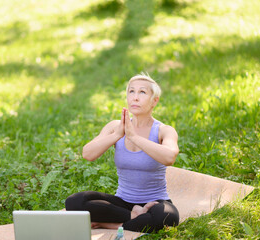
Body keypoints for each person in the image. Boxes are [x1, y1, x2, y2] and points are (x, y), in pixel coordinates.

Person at [65, 73, 180, 233]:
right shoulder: (116, 127)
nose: (135, 97)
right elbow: (87, 154)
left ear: (154, 101)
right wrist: (117, 135)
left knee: (167, 217)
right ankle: (134, 217)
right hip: (122, 202)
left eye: (142, 92)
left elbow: (169, 157)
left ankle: (114, 225)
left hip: (154, 203)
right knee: (74, 202)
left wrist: (133, 137)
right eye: (131, 92)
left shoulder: (164, 130)